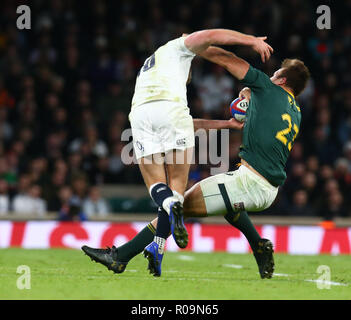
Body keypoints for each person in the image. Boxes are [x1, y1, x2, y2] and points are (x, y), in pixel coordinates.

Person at [83, 31, 309, 279]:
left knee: (178, 206)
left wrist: (195, 48)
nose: (270, 76)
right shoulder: (295, 111)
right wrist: (248, 98)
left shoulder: (267, 88)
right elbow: (265, 118)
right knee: (226, 204)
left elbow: (227, 59)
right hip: (268, 190)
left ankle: (120, 257)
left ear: (280, 79)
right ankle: (258, 245)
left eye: (274, 74)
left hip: (249, 181)